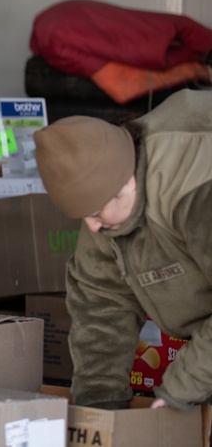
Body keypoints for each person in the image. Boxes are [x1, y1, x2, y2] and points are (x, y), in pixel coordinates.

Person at [33, 89, 212, 411]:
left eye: (97, 212)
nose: (92, 227)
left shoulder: (194, 186)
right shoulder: (103, 204)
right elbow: (101, 307)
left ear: (127, 182)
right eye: (83, 216)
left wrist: (180, 389)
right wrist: (100, 412)